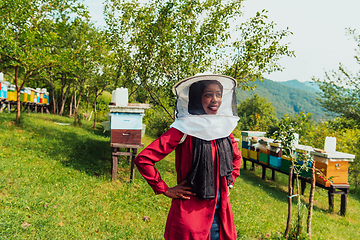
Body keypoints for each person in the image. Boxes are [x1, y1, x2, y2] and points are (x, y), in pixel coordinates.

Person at [134, 74, 242, 240]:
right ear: (197, 98)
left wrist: (229, 182)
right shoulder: (183, 129)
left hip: (221, 216)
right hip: (192, 217)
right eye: (208, 94)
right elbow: (144, 159)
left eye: (218, 94)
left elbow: (236, 157)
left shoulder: (224, 128)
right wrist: (165, 189)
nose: (215, 99)